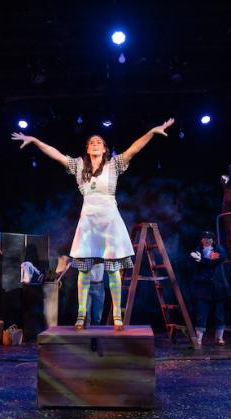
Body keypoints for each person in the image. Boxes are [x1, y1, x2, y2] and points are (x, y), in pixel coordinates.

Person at [12, 118, 175, 330]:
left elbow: (134, 149)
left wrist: (152, 131)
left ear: (105, 148)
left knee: (113, 270)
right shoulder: (78, 166)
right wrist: (34, 140)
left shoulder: (114, 165)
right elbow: (56, 154)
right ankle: (81, 315)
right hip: (88, 222)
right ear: (87, 149)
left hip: (109, 221)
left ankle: (117, 315)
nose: (95, 144)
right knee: (84, 271)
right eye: (92, 142)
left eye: (99, 142)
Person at [190, 231, 230, 346]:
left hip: (217, 287)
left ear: (213, 240)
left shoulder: (218, 250)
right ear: (201, 240)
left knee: (219, 313)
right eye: (204, 238)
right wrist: (199, 259)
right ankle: (199, 339)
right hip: (203, 287)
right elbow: (194, 261)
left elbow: (218, 260)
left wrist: (202, 260)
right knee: (201, 313)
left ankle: (219, 338)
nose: (206, 240)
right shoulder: (197, 251)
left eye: (209, 238)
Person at [85, 263, 105, 327]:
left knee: (97, 315)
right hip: (87, 285)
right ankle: (86, 334)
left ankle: (97, 333)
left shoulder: (102, 257)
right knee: (86, 313)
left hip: (99, 286)